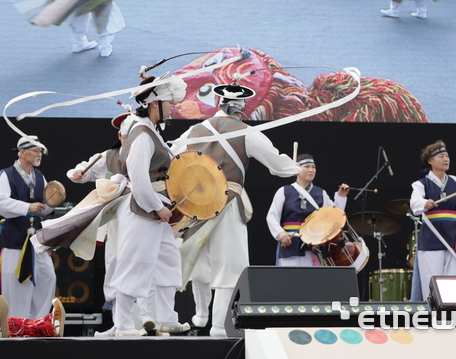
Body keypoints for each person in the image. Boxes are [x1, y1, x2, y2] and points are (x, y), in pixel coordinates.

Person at [172, 81, 301, 337]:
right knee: (229, 266)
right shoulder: (247, 132)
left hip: (195, 204)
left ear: (219, 104)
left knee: (195, 258)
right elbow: (278, 166)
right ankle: (218, 327)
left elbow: (171, 155)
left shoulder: (194, 130)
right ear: (241, 108)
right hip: (227, 202)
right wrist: (295, 167)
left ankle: (201, 314)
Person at [108, 74, 190, 336]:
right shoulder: (142, 133)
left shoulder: (148, 130)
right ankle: (121, 325)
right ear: (155, 103)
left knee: (168, 262)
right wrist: (157, 206)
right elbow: (138, 175)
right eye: (169, 103)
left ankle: (167, 317)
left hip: (156, 212)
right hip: (145, 211)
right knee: (134, 264)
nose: (172, 108)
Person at [66, 113, 159, 336]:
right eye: (129, 135)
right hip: (116, 222)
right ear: (120, 136)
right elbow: (78, 171)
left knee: (148, 264)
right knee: (117, 265)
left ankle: (148, 318)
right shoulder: (107, 156)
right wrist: (76, 174)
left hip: (144, 216)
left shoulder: (150, 152)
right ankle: (119, 324)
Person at [0, 135, 57, 319]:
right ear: (22, 153)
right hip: (15, 237)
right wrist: (26, 207)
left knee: (47, 277)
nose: (40, 155)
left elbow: (45, 206)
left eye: (40, 151)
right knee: (16, 283)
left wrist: (51, 203)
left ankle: (38, 321)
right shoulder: (7, 174)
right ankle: (15, 323)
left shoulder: (39, 176)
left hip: (36, 239)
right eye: (36, 151)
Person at [409, 140, 456, 300]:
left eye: (447, 156)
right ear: (430, 160)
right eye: (441, 156)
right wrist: (425, 203)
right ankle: (433, 320)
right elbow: (415, 204)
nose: (446, 159)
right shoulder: (421, 184)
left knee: (452, 285)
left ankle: (452, 319)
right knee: (432, 285)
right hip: (431, 241)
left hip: (453, 240)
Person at [266, 154, 349, 266]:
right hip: (290, 242)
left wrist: (341, 196)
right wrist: (280, 233)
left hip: (313, 244)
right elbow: (271, 216)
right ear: (296, 170)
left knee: (310, 281)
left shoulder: (320, 193)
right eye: (307, 166)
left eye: (313, 167)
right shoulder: (284, 191)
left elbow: (334, 216)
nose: (311, 170)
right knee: (288, 281)